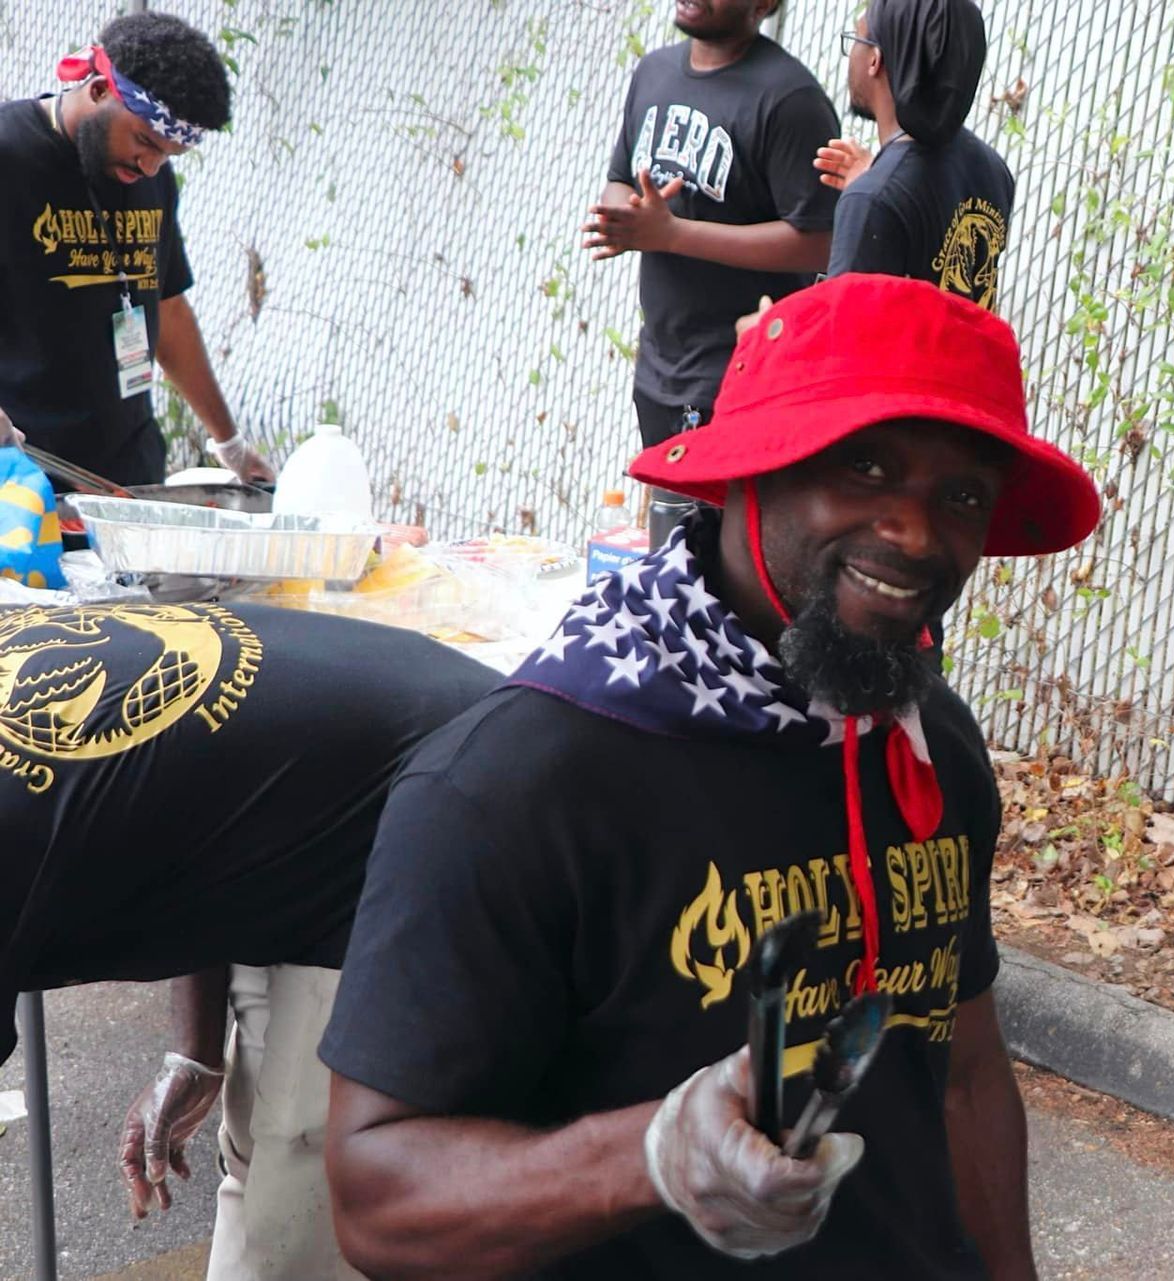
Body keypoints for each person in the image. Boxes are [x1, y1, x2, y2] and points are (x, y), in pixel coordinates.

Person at [319, 274, 1101, 1278]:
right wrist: (651, 1156)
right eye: (864, 467)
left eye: (960, 495)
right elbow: (378, 1201)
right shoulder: (520, 785)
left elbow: (964, 1076)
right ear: (750, 470)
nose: (914, 533)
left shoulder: (925, 742)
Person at [0, 602, 495, 1279]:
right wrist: (195, 1052)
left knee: (300, 1194)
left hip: (446, 802)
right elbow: (183, 795)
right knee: (260, 1151)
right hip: (346, 765)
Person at [583, 0, 841, 550]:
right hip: (660, 368)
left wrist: (673, 235)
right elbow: (617, 178)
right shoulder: (652, 71)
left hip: (739, 379)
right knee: (670, 556)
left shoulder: (789, 98)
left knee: (724, 565)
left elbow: (820, 240)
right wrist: (626, 217)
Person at [0, 12, 273, 488]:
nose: (150, 166)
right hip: (20, 477)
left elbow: (167, 308)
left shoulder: (151, 177)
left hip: (127, 476)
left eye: (168, 153)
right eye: (145, 141)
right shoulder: (9, 154)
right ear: (101, 89)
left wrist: (228, 441)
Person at [824, 0, 1013, 312]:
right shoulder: (991, 168)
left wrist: (767, 325)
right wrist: (880, 173)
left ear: (875, 59)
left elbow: (842, 341)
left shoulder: (872, 200)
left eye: (856, 39)